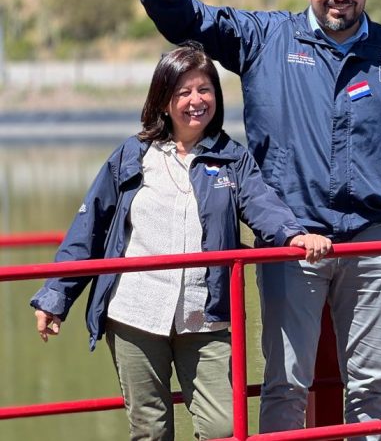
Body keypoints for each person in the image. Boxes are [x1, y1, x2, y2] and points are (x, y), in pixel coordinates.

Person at [138, 0, 381, 437]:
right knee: (286, 382)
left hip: (372, 243)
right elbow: (191, 22)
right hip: (291, 242)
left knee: (371, 382)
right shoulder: (265, 37)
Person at [30, 45, 331, 441]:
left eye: (204, 90)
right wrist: (56, 298)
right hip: (135, 314)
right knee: (151, 431)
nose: (195, 101)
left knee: (223, 429)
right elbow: (88, 230)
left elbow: (263, 205)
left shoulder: (231, 159)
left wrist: (294, 235)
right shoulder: (131, 156)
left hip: (205, 316)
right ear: (163, 98)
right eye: (183, 92)